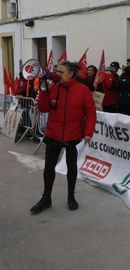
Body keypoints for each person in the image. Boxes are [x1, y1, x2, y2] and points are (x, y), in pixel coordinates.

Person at [30, 61, 96, 214]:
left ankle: (71, 197)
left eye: (61, 72)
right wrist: (44, 90)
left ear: (71, 73)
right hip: (53, 133)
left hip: (73, 135)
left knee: (71, 167)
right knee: (48, 168)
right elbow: (43, 108)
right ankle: (46, 198)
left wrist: (88, 133)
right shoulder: (53, 88)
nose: (57, 74)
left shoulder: (83, 90)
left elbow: (91, 112)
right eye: (57, 71)